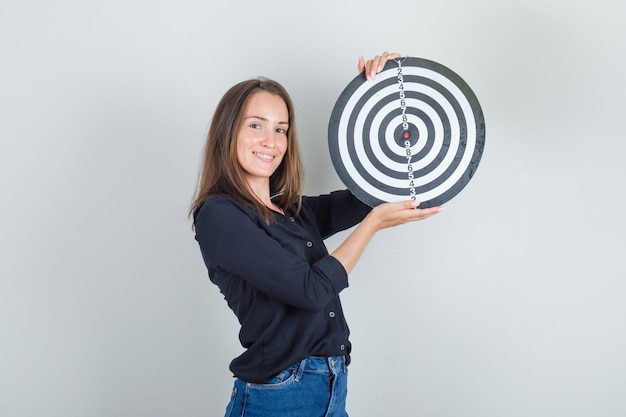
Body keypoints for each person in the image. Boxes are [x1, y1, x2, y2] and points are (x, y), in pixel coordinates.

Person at [190, 52, 442, 417]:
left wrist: (380, 91)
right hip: (279, 393)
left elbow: (368, 193)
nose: (271, 141)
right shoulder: (219, 215)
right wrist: (370, 227)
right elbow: (310, 290)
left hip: (331, 384)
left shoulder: (291, 211)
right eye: (256, 125)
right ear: (229, 131)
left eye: (281, 129)